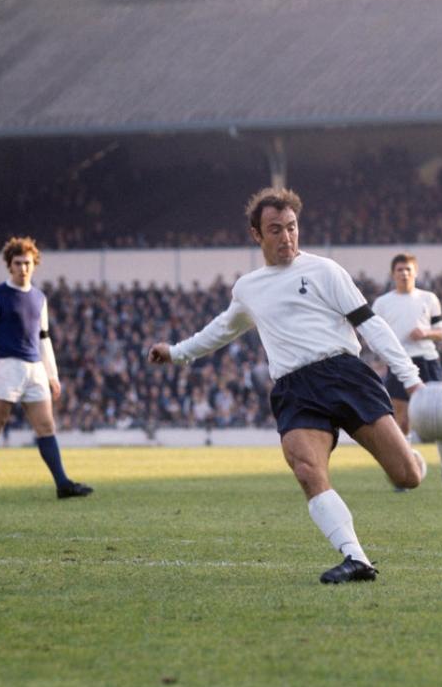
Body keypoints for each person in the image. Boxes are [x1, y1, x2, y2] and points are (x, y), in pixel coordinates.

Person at [148, 188, 425, 585]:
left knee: (406, 477)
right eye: (275, 229)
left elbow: (370, 324)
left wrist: (411, 379)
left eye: (292, 228)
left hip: (346, 375)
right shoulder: (249, 288)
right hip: (295, 388)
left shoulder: (325, 271)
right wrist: (175, 353)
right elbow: (221, 330)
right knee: (306, 467)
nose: (286, 237)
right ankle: (356, 557)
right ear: (256, 235)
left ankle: (415, 461)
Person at [0, 236, 93, 500]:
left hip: (35, 368)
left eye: (27, 263)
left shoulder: (39, 298)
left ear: (34, 264)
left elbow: (44, 337)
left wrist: (52, 375)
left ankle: (62, 484)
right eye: (18, 263)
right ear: (9, 266)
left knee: (46, 426)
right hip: (5, 367)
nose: (23, 268)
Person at [372, 253, 442, 489]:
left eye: (408, 269)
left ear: (416, 272)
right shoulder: (382, 304)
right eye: (400, 270)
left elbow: (441, 332)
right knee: (401, 421)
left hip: (427, 361)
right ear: (393, 274)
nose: (404, 273)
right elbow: (372, 334)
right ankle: (406, 473)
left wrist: (426, 333)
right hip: (399, 363)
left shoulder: (429, 298)